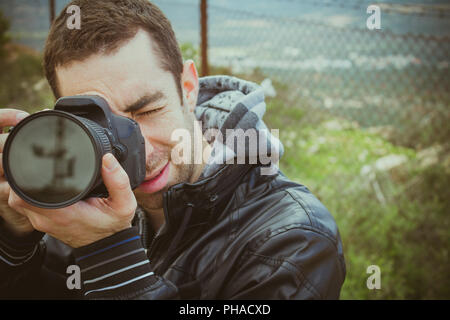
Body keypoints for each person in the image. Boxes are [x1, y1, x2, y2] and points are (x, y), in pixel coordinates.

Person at [0, 0, 345, 299]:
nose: (142, 151)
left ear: (188, 87)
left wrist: (108, 253)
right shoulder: (76, 200)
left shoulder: (292, 242)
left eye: (148, 111)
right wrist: (13, 241)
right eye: (100, 126)